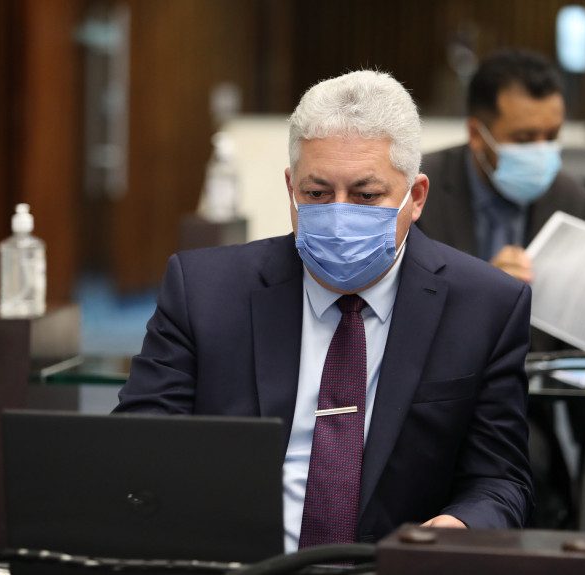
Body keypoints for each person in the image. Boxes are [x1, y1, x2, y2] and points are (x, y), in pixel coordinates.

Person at [115, 70, 533, 552]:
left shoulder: (485, 306)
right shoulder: (204, 290)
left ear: (415, 197)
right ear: (291, 187)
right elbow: (139, 442)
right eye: (316, 194)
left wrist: (457, 527)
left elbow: (502, 481)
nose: (338, 214)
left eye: (365, 195)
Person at [416, 49, 585, 529]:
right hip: (429, 398)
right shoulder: (419, 190)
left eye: (551, 137)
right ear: (478, 135)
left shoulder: (572, 198)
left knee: (533, 469)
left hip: (524, 403)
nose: (541, 152)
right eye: (524, 138)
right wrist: (483, 287)